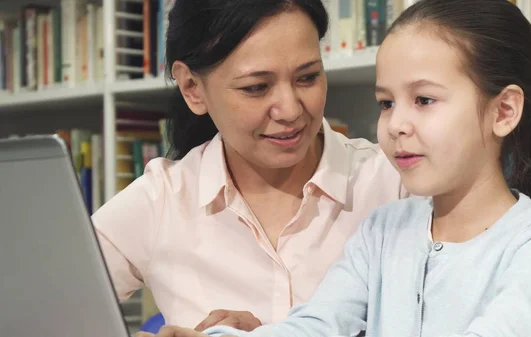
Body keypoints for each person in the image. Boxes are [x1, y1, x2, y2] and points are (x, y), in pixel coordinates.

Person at [138, 0, 531, 336]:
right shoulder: (383, 230)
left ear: (503, 111)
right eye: (385, 103)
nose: (396, 124)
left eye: (424, 100)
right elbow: (317, 326)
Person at [91, 0, 409, 332]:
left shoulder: (395, 182)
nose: (289, 110)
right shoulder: (161, 202)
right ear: (191, 87)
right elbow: (42, 312)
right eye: (256, 88)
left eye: (308, 77)